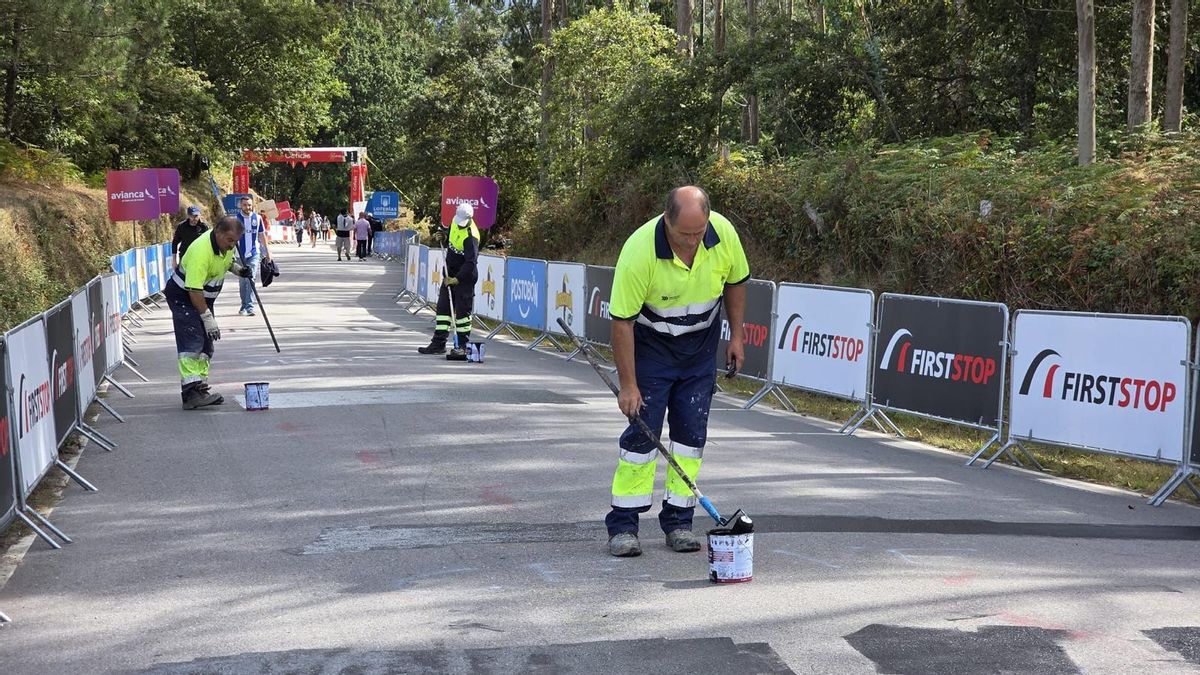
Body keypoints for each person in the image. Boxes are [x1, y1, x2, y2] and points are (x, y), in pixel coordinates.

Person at [604, 186, 749, 558]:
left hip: (700, 349)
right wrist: (628, 385)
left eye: (698, 234)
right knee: (643, 433)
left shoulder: (723, 234)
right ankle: (623, 525)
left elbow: (736, 281)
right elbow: (621, 323)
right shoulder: (639, 251)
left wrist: (737, 336)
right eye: (684, 235)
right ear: (666, 220)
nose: (691, 242)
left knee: (691, 436)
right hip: (651, 348)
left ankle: (679, 521)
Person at [164, 216, 253, 409]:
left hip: (203, 298)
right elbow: (193, 290)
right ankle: (190, 394)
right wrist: (207, 317)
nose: (232, 245)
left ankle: (200, 387)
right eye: (229, 240)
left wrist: (239, 270)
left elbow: (226, 262)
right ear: (218, 233)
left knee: (206, 343)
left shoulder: (225, 246)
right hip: (184, 297)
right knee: (192, 341)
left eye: (236, 242)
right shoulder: (200, 252)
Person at [417, 203, 479, 360]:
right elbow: (451, 237)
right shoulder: (455, 221)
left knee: (463, 314)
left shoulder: (471, 237)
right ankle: (438, 344)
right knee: (443, 309)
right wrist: (443, 236)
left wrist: (457, 279)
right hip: (449, 272)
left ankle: (463, 346)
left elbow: (471, 263)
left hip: (464, 277)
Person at [235, 195, 272, 316]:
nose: (247, 207)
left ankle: (249, 306)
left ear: (252, 205)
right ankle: (243, 305)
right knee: (242, 281)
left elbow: (262, 236)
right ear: (241, 205)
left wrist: (267, 252)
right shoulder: (236, 219)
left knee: (250, 278)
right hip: (240, 255)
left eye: (249, 205)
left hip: (254, 253)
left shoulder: (257, 218)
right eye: (245, 205)